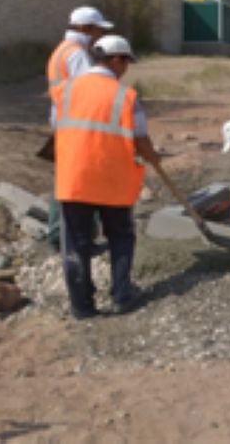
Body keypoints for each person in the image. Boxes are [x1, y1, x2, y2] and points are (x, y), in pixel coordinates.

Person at [54, 35, 160, 318]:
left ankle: (82, 307)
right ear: (115, 60)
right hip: (111, 179)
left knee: (76, 243)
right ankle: (121, 297)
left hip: (74, 178)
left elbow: (58, 125)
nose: (126, 68)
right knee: (121, 236)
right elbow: (140, 137)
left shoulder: (64, 90)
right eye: (126, 61)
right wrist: (153, 157)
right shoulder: (125, 96)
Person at [43, 7, 116, 250]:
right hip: (78, 126)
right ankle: (77, 237)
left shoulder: (61, 51)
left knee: (67, 179)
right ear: (85, 29)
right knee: (83, 181)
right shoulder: (76, 55)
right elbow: (93, 91)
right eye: (97, 30)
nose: (98, 36)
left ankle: (59, 234)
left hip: (64, 122)